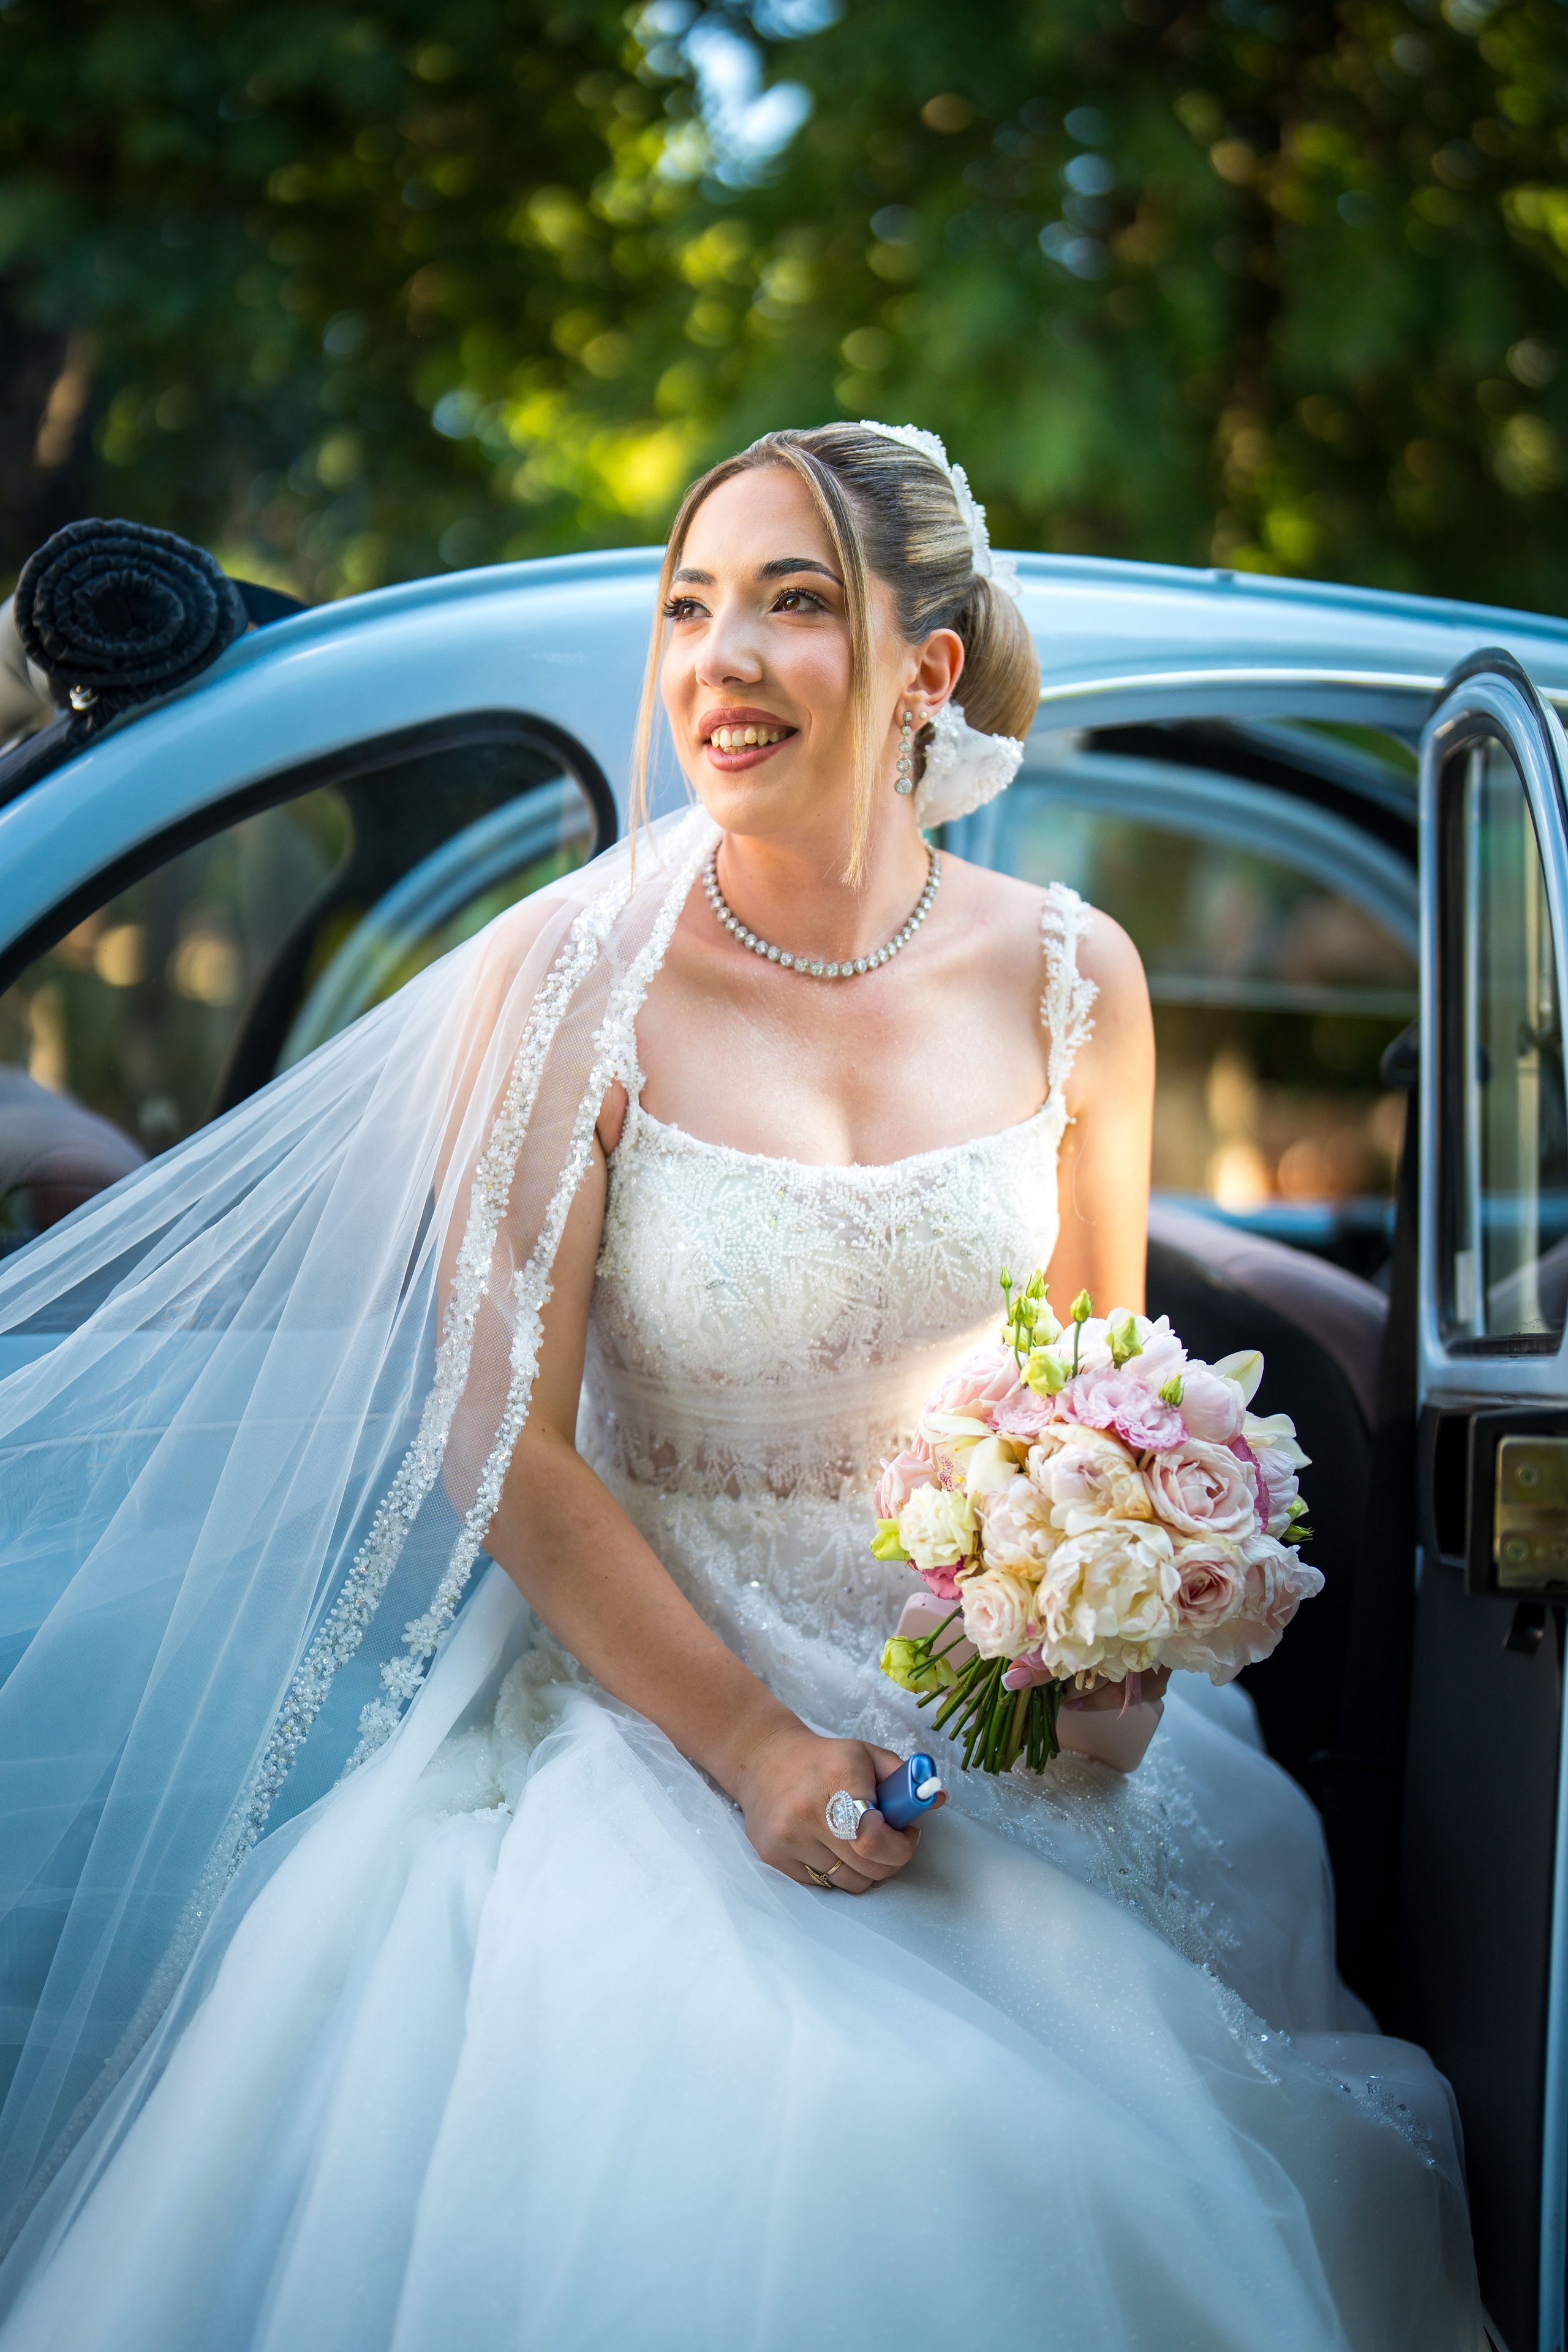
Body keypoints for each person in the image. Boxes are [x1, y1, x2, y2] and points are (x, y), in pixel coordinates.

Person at [0, 424, 1484, 2349]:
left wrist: (1111, 1631)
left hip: (989, 1728)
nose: (719, 656)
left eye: (795, 603)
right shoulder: (567, 980)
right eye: (690, 605)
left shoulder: (1074, 973)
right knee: (875, 2125)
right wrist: (763, 1755)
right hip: (659, 1723)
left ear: (922, 670)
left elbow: (1099, 1391)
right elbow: (500, 1445)